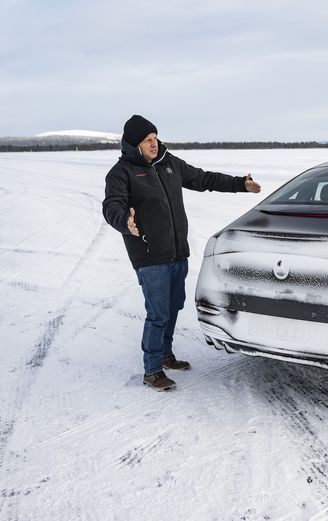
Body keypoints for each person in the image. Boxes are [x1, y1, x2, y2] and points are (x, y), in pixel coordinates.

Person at [102, 115, 261, 391]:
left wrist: (240, 184)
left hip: (177, 253)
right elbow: (111, 205)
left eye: (155, 138)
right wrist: (124, 222)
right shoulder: (121, 173)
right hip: (150, 255)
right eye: (147, 140)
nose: (154, 144)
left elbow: (203, 178)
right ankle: (152, 370)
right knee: (158, 313)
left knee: (173, 307)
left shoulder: (169, 163)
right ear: (133, 145)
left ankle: (165, 354)